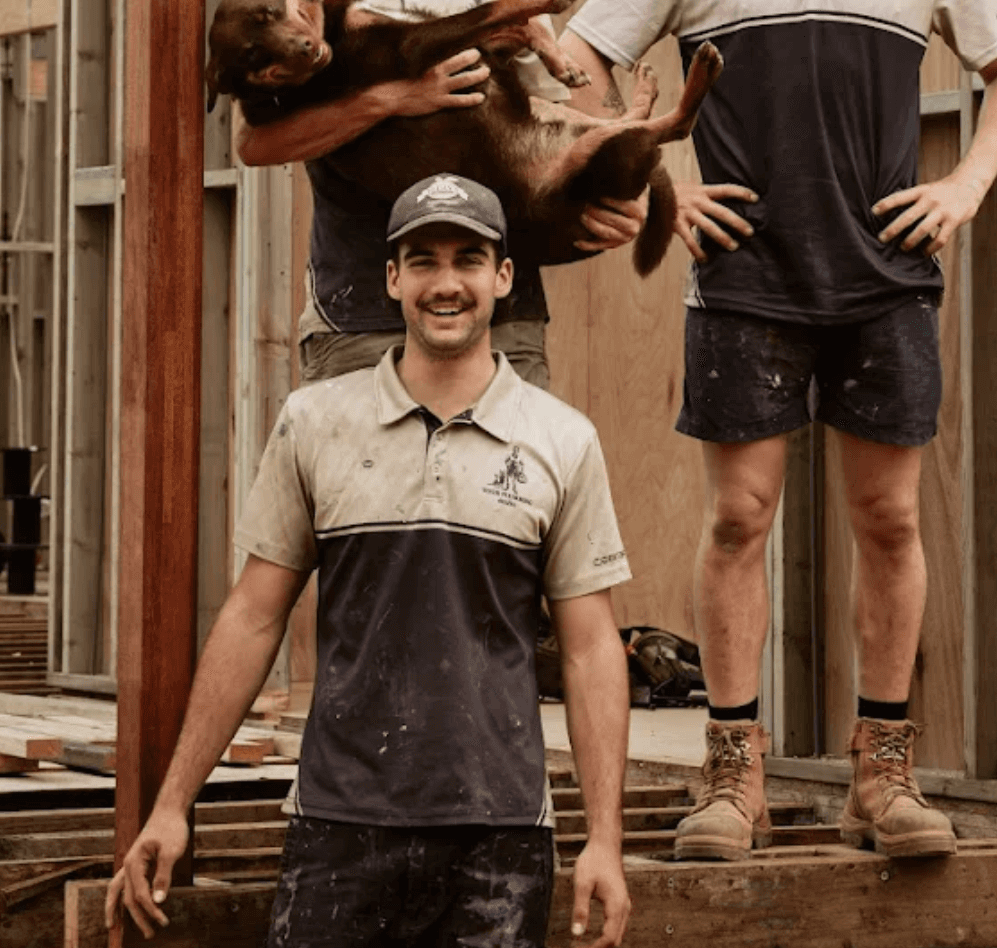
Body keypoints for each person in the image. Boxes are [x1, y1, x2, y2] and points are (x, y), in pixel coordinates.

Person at [560, 0, 997, 861]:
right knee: (738, 517)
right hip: (746, 277)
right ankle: (734, 779)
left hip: (884, 277)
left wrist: (966, 183)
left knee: (889, 517)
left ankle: (883, 775)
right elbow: (580, 58)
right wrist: (662, 181)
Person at [106, 173, 633, 947]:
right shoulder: (315, 422)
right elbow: (253, 618)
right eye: (423, 261)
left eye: (468, 259)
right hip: (338, 827)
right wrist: (171, 804)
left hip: (500, 837)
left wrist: (605, 841)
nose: (445, 283)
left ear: (503, 276)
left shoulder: (562, 440)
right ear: (392, 278)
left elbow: (590, 650)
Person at [237, 0, 642, 388]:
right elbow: (256, 143)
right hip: (358, 317)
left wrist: (623, 192)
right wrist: (394, 99)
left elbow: (548, 119)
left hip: (502, 317)